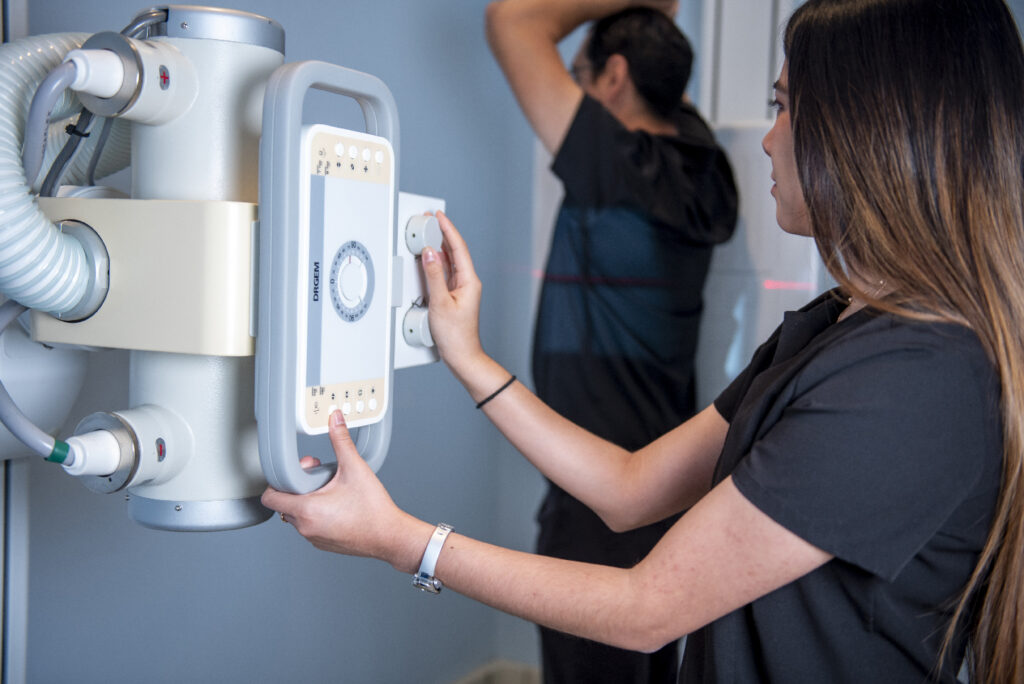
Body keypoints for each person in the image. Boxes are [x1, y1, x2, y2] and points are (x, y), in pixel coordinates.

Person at [263, 0, 1024, 681]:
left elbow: (646, 607)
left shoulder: (916, 382)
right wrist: (469, 358)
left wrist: (399, 540)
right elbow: (631, 490)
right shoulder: (835, 319)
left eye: (785, 106)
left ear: (871, 130)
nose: (767, 138)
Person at [485, 1, 737, 679]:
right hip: (664, 482)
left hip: (595, 491)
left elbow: (512, 20)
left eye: (582, 74)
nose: (574, 88)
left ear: (616, 75)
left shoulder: (616, 165)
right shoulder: (708, 168)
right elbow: (668, 89)